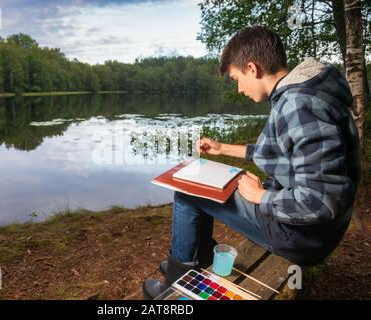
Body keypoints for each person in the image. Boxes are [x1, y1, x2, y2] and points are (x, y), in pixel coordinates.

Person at [143, 25, 361, 300]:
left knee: (188, 194)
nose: (239, 88)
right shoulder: (304, 93)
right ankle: (193, 263)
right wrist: (223, 148)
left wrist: (261, 197)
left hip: (302, 237)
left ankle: (175, 282)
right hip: (313, 230)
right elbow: (281, 150)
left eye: (236, 78)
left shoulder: (298, 105)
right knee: (205, 190)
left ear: (252, 68)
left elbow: (320, 201)